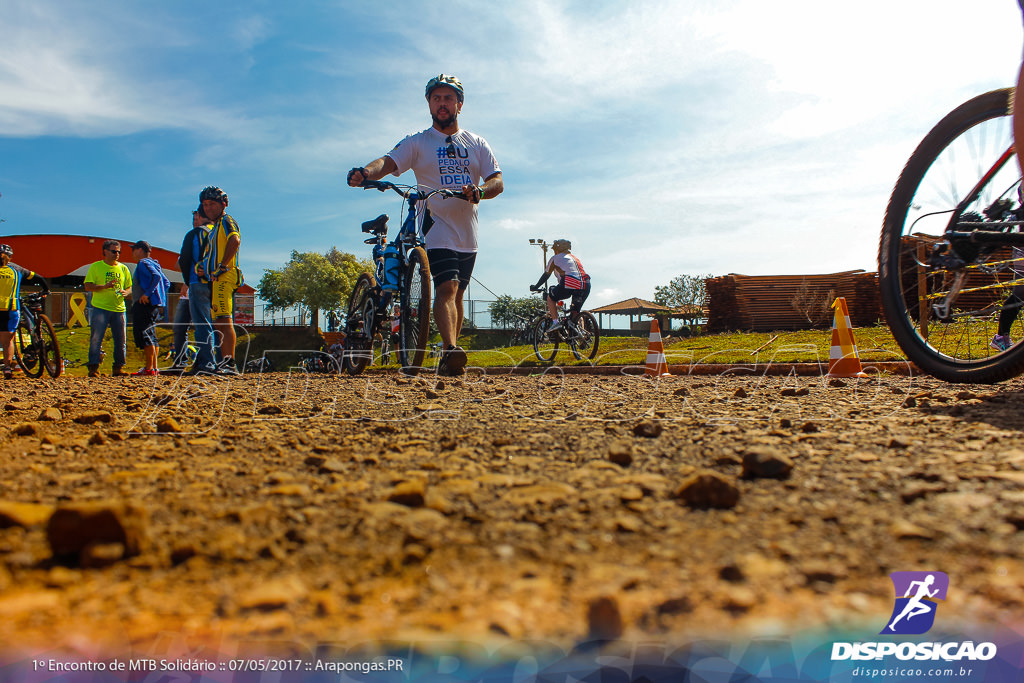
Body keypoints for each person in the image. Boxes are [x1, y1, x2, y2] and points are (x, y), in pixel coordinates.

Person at [347, 74, 503, 376]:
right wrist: (366, 172)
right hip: (435, 224)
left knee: (458, 295)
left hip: (468, 232)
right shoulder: (418, 141)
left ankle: (449, 355)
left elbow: (496, 180)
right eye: (436, 98)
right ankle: (450, 349)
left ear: (459, 103)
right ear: (429, 104)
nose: (441, 104)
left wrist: (481, 191)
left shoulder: (477, 143)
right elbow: (389, 162)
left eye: (447, 98)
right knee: (447, 287)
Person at [196, 186, 242, 375]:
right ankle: (224, 362)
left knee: (224, 319)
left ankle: (229, 363)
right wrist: (203, 267)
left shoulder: (226, 220)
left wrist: (222, 266)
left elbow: (235, 240)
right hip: (216, 277)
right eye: (205, 205)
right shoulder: (214, 228)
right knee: (219, 320)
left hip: (225, 275)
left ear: (223, 204)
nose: (208, 208)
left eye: (212, 204)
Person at [83, 240, 132, 377]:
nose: (117, 254)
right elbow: (88, 286)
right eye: (113, 251)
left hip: (119, 308)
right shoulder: (96, 267)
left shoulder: (123, 268)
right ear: (105, 251)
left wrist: (127, 292)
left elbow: (129, 286)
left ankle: (119, 367)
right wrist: (104, 286)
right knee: (96, 338)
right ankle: (93, 367)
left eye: (119, 252)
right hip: (100, 308)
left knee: (121, 340)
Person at [0, 244, 46, 380]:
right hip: (11, 309)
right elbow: (38, 277)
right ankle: (8, 368)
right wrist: (46, 289)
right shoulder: (16, 269)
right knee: (8, 340)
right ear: (10, 257)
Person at [179, 207, 215, 373]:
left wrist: (188, 280)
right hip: (218, 283)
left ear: (201, 217)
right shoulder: (219, 232)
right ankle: (222, 361)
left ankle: (206, 363)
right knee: (219, 323)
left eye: (195, 218)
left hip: (198, 281)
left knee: (202, 324)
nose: (194, 221)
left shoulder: (194, 234)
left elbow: (184, 259)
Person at [530, 239, 591, 332]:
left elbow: (546, 275)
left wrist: (536, 286)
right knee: (575, 312)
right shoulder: (575, 258)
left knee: (550, 298)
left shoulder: (555, 258)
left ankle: (555, 323)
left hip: (569, 283)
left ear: (556, 250)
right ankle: (581, 335)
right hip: (586, 284)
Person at [129, 241, 171, 376]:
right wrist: (159, 297)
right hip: (153, 305)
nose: (132, 252)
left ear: (140, 250)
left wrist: (147, 293)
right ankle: (154, 368)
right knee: (152, 335)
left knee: (146, 335)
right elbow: (166, 282)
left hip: (143, 304)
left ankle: (148, 368)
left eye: (134, 249)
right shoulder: (155, 263)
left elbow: (157, 277)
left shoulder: (143, 263)